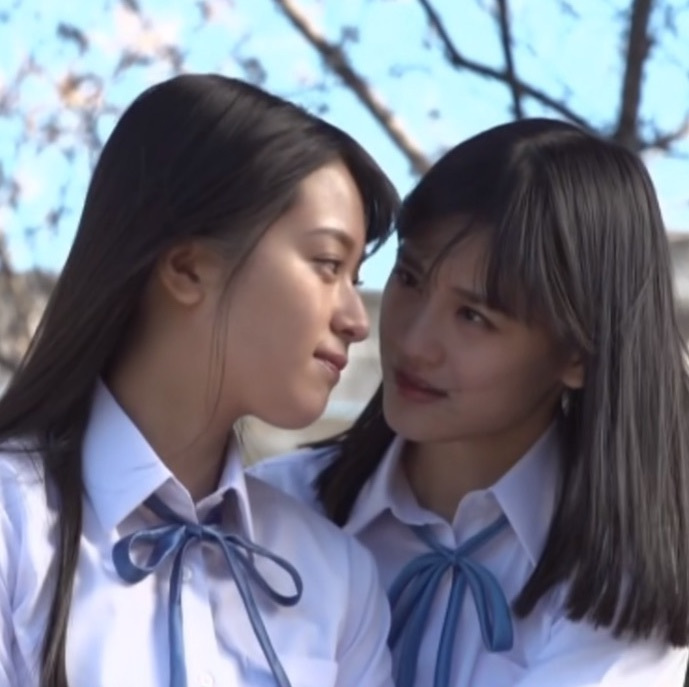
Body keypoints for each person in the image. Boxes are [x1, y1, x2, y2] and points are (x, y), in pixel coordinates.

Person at [251, 118, 689, 686]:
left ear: (578, 353)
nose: (414, 343)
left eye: (474, 316)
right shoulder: (273, 512)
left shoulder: (621, 578)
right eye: (410, 279)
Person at [0, 73, 400, 687]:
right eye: (327, 264)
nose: (355, 319)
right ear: (188, 267)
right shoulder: (16, 521)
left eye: (357, 279)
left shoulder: (336, 579)